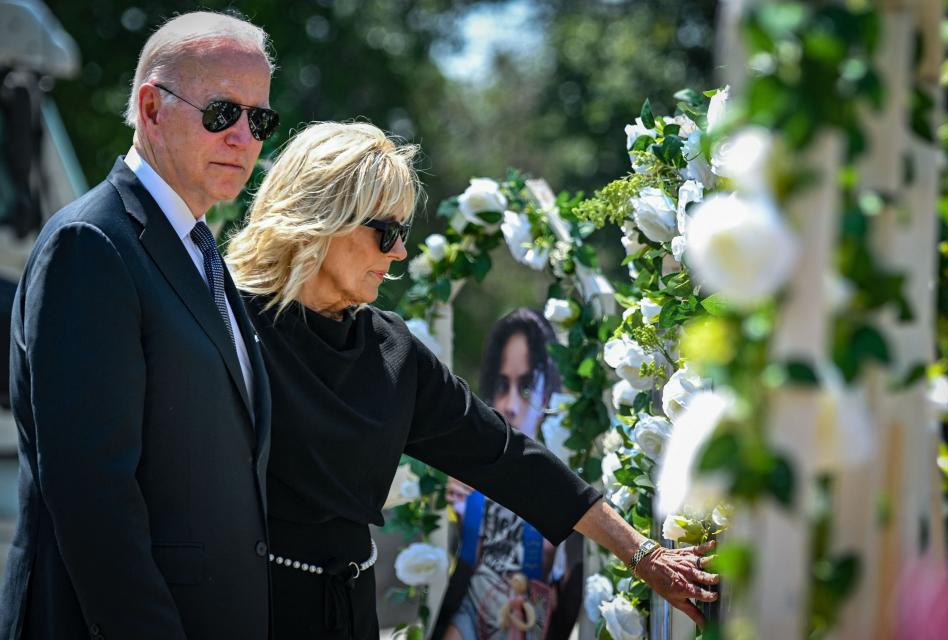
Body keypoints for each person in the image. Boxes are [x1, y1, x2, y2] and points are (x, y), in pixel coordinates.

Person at [226, 121, 719, 640]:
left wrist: (642, 555)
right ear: (324, 219)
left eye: (404, 234)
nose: (399, 254)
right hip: (247, 613)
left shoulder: (390, 351)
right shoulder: (226, 325)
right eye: (386, 233)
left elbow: (507, 457)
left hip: (352, 616)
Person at [0, 11, 280, 640]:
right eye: (221, 113)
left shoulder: (200, 250)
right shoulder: (90, 244)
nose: (244, 137)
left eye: (259, 119)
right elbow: (93, 498)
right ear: (151, 110)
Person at [437, 308, 582, 640]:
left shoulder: (567, 471)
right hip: (474, 605)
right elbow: (466, 563)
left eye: (527, 386)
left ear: (549, 392)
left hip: (527, 613)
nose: (511, 405)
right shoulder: (470, 468)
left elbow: (571, 582)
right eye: (502, 385)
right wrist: (461, 520)